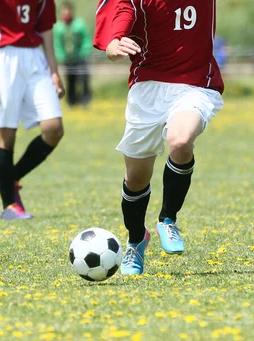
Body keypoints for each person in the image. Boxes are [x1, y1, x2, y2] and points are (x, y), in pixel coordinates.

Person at [95, 0, 224, 275]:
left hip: (196, 84)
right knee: (136, 178)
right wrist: (114, 41)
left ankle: (168, 219)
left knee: (180, 141)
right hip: (148, 86)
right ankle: (135, 242)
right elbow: (124, 8)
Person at [0, 0, 65, 220]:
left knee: (54, 128)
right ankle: (10, 206)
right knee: (6, 135)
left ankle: (10, 178)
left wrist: (54, 70)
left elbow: (46, 30)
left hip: (35, 58)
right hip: (2, 58)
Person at [53, 1, 93, 107]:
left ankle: (85, 100)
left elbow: (86, 39)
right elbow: (57, 44)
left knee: (83, 79)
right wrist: (61, 56)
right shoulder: (59, 27)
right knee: (70, 80)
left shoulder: (79, 24)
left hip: (80, 57)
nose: (66, 13)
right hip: (68, 59)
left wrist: (83, 53)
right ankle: (71, 101)